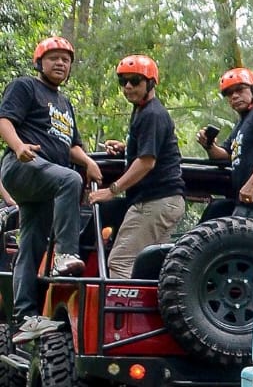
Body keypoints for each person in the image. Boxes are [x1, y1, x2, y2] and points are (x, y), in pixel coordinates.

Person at [0, 37, 103, 343]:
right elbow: (4, 120)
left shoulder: (65, 104)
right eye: (54, 58)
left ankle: (26, 318)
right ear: (39, 63)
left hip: (44, 183)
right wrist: (18, 147)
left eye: (66, 60)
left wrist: (89, 163)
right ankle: (65, 255)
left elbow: (71, 146)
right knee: (69, 179)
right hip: (21, 168)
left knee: (31, 242)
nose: (60, 63)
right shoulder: (25, 87)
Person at [86, 55, 186, 279]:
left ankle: (118, 314)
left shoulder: (152, 113)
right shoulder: (141, 110)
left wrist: (111, 190)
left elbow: (146, 162)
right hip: (160, 201)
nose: (128, 87)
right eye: (123, 82)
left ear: (150, 83)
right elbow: (149, 151)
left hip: (156, 200)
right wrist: (127, 147)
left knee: (120, 261)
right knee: (149, 267)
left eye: (135, 81)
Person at [196, 68, 253, 225]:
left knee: (237, 247)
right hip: (244, 202)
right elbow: (226, 154)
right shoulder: (241, 124)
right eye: (230, 94)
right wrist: (209, 145)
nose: (235, 96)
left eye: (239, 90)